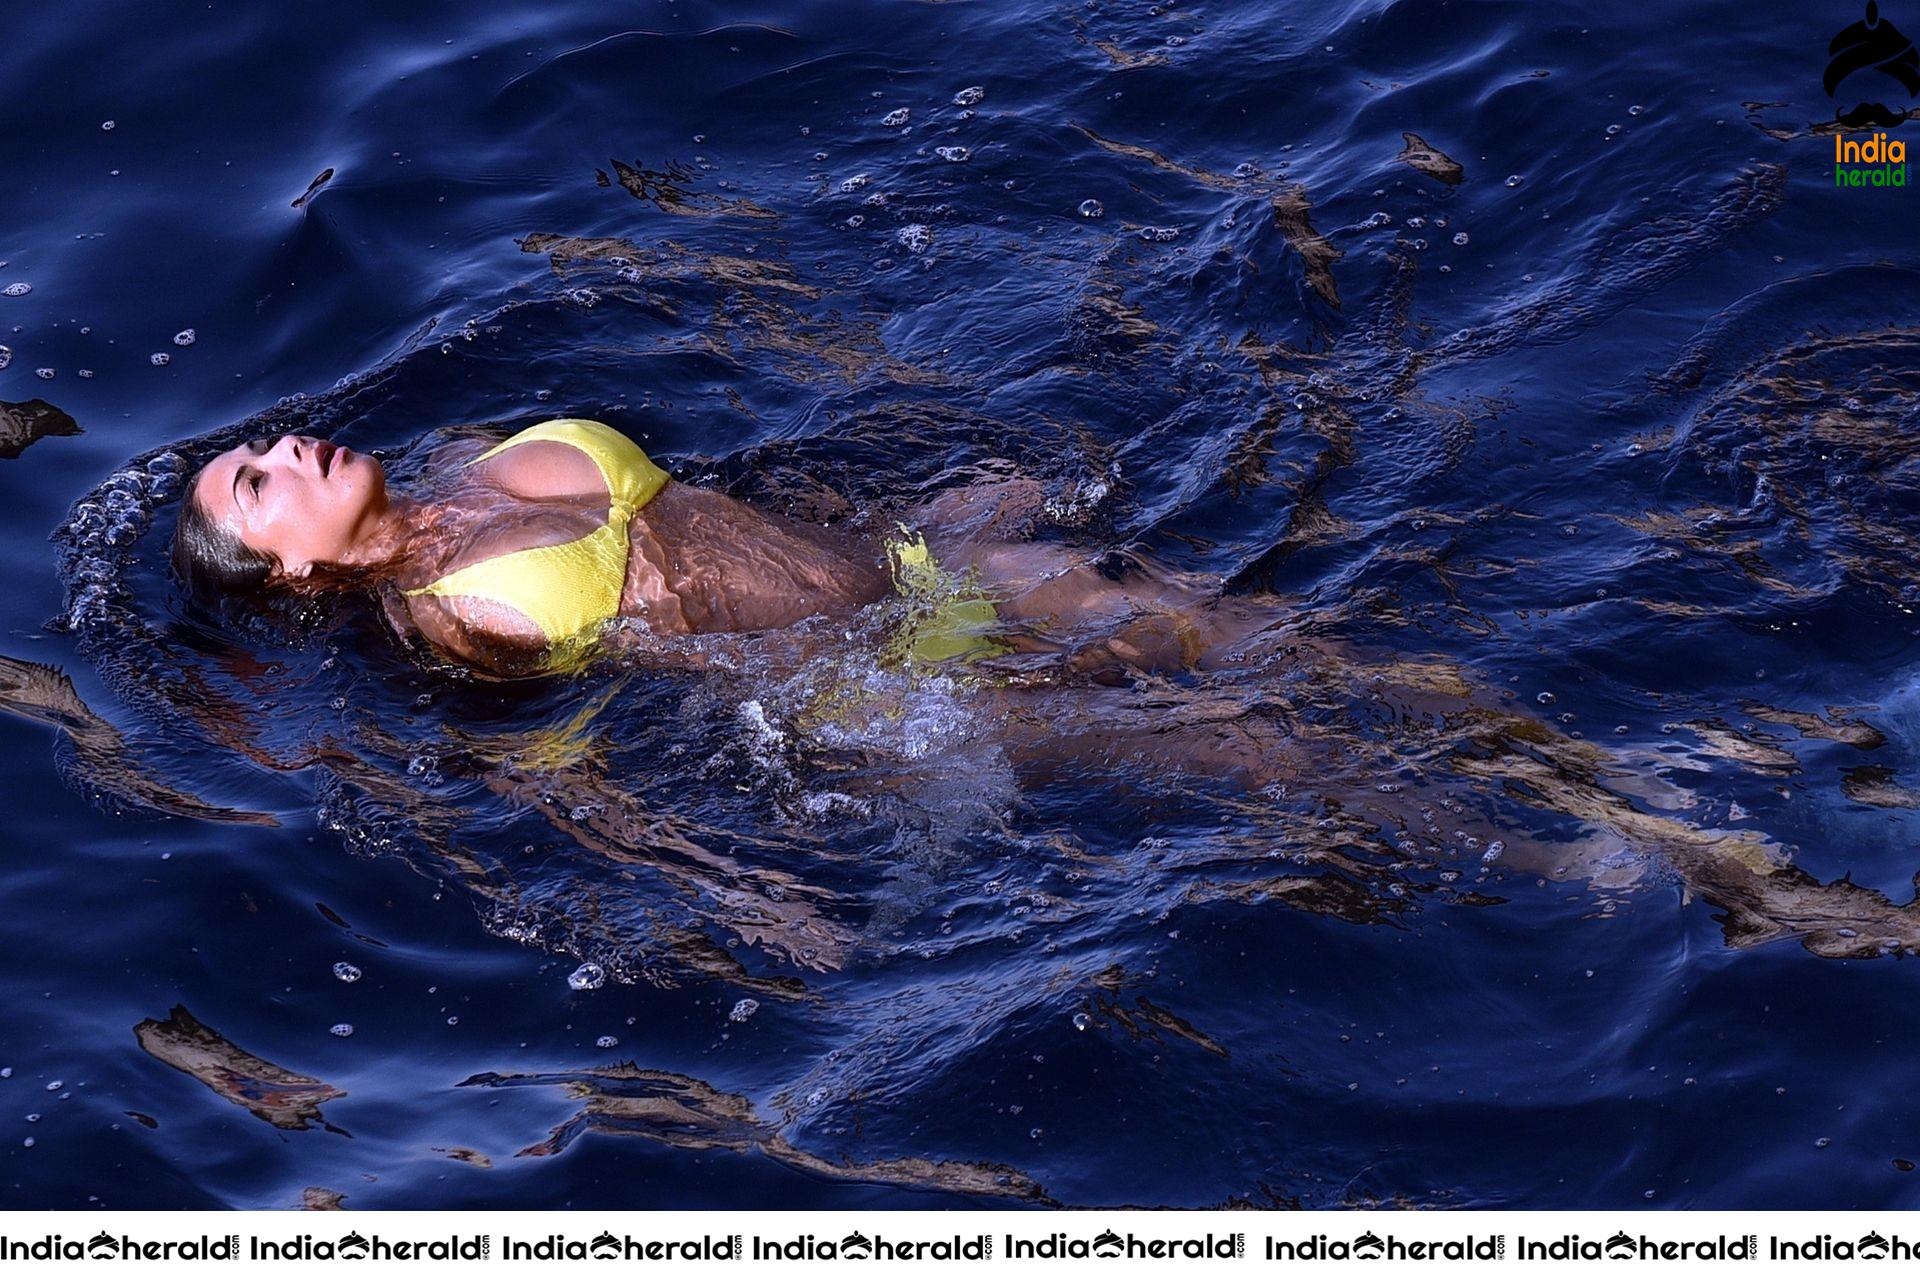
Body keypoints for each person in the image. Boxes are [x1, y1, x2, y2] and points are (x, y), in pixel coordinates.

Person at [170, 417, 1277, 679]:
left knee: (1266, 632)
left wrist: (908, 520)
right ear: (292, 573)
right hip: (887, 690)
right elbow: (572, 788)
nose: (286, 447)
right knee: (1251, 748)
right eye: (257, 481)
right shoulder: (452, 623)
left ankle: (1457, 704)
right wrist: (725, 878)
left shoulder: (469, 452)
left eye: (263, 443)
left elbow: (713, 506)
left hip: (914, 567)